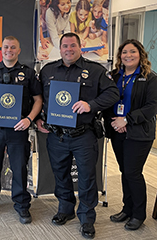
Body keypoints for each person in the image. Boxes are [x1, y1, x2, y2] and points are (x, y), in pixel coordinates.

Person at [36, 33, 119, 238]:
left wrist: (90, 105)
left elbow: (113, 94)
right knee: (61, 175)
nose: (68, 49)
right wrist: (38, 118)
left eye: (73, 45)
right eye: (65, 46)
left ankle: (86, 218)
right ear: (60, 48)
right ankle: (65, 209)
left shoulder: (95, 70)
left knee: (87, 177)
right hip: (57, 136)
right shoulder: (47, 70)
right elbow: (39, 98)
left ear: (80, 47)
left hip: (84, 135)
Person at [0, 36, 43, 224]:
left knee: (19, 168)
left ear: (19, 50)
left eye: (13, 47)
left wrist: (29, 119)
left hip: (18, 129)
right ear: (1, 49)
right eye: (6, 47)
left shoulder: (28, 74)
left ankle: (22, 205)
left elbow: (38, 100)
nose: (9, 50)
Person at [103, 39, 157, 230]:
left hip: (139, 133)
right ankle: (127, 209)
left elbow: (152, 107)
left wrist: (126, 120)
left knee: (133, 173)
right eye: (124, 52)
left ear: (141, 54)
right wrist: (114, 122)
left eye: (132, 52)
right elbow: (107, 101)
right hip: (117, 131)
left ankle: (138, 214)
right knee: (125, 171)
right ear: (120, 57)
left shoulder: (150, 78)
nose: (128, 55)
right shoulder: (114, 76)